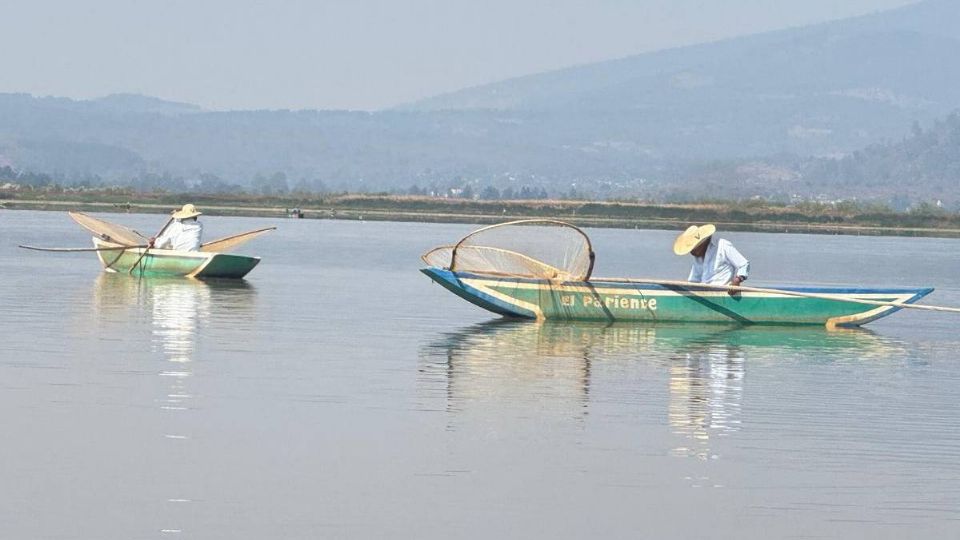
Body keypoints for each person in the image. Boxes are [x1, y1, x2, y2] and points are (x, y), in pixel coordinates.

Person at [673, 224, 749, 295]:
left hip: (723, 293)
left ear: (702, 243)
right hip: (704, 293)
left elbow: (744, 264)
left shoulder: (722, 245)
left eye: (693, 249)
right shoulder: (698, 257)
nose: (692, 253)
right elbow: (694, 281)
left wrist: (737, 280)